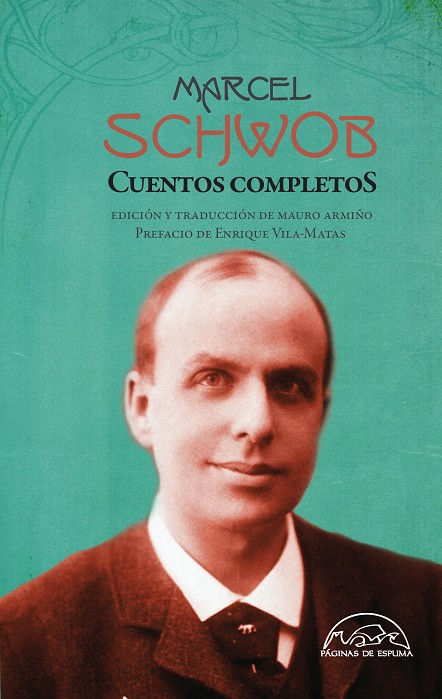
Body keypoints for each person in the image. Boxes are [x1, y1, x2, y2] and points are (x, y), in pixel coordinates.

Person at [0, 250, 440, 699]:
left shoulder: (428, 609)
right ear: (142, 407)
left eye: (289, 385)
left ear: (319, 416)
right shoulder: (22, 642)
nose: (258, 422)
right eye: (213, 378)